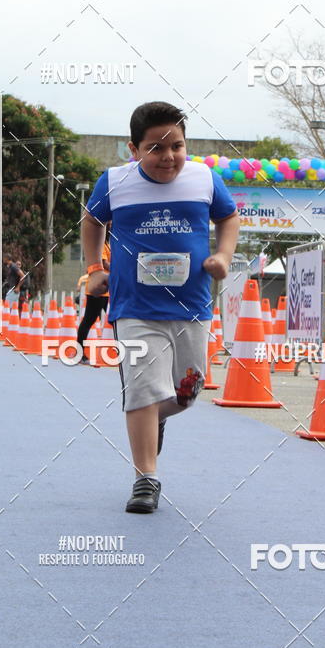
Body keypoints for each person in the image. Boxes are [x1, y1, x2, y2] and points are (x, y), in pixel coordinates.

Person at [82, 101, 240, 514]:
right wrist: (95, 267)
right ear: (133, 149)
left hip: (191, 305)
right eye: (155, 148)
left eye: (177, 146)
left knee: (188, 391)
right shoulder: (115, 182)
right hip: (134, 306)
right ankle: (145, 478)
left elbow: (228, 218)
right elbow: (92, 221)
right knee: (140, 389)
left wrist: (223, 256)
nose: (168, 157)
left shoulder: (204, 178)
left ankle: (159, 416)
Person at [76, 224, 111, 362]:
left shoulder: (107, 243)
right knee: (89, 320)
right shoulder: (100, 242)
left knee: (113, 321)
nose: (112, 226)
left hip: (106, 289)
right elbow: (103, 263)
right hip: (97, 288)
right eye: (109, 224)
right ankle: (79, 353)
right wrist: (119, 269)